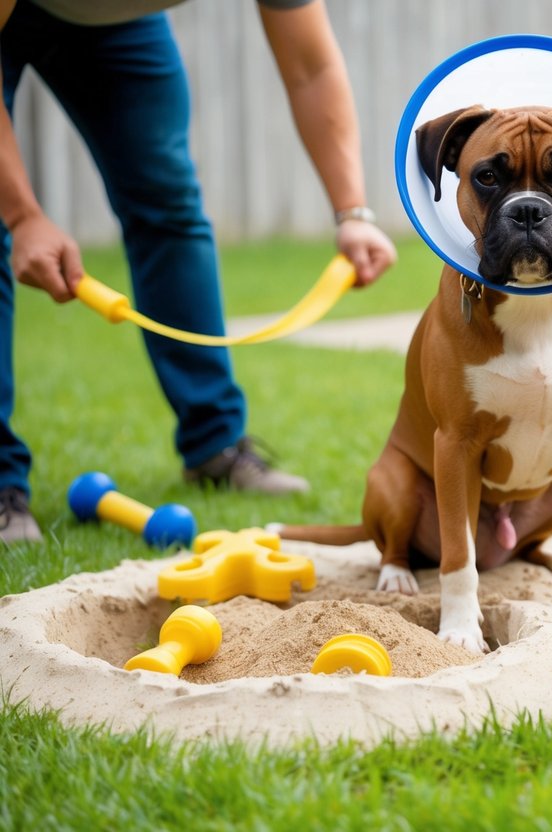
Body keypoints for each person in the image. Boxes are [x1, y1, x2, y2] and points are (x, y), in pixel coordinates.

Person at [0, 0, 398, 542]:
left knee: (170, 204)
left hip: (117, 24)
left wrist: (352, 213)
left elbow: (312, 67)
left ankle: (215, 445)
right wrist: (23, 215)